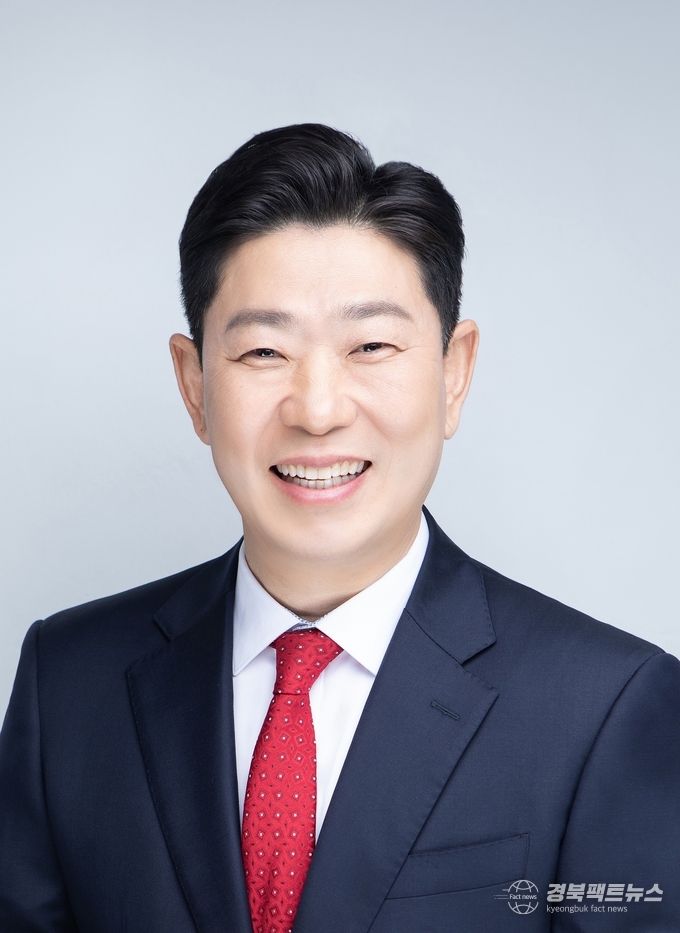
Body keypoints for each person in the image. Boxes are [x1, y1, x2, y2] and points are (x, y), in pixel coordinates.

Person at [0, 124, 678, 933]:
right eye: (263, 352)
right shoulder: (67, 684)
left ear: (454, 372)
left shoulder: (607, 706)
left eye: (371, 345)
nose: (318, 410)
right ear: (194, 385)